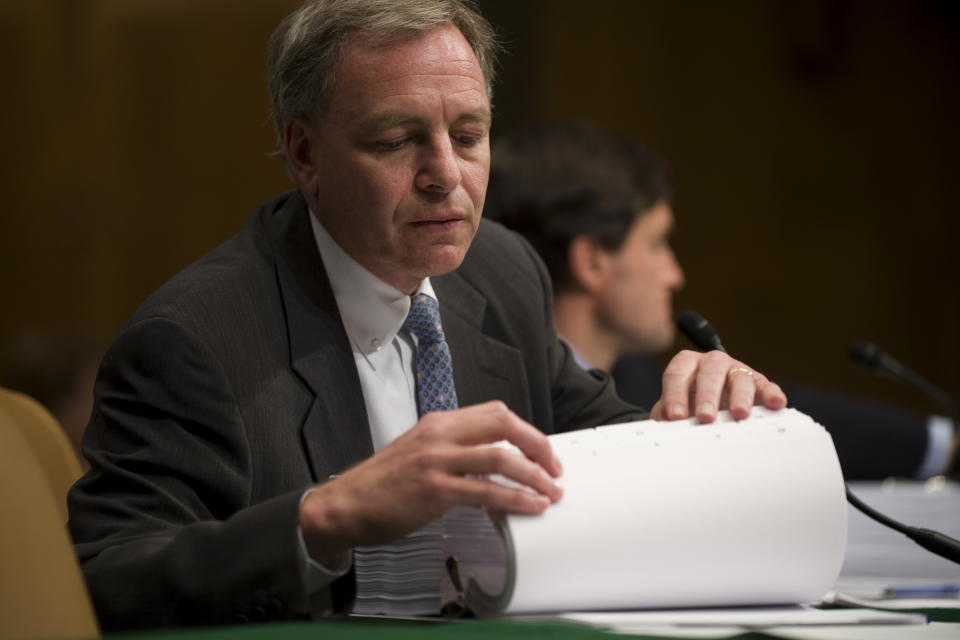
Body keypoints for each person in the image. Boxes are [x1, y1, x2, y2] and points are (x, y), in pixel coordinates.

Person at [67, 1, 786, 630]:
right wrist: (328, 516)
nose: (446, 174)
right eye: (396, 141)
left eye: (469, 137)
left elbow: (597, 439)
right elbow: (107, 579)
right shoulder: (195, 340)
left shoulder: (500, 271)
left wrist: (702, 424)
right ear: (305, 152)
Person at [485, 120, 957, 481]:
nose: (675, 274)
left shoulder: (639, 380)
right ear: (592, 261)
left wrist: (945, 445)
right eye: (657, 244)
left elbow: (808, 417)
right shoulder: (486, 389)